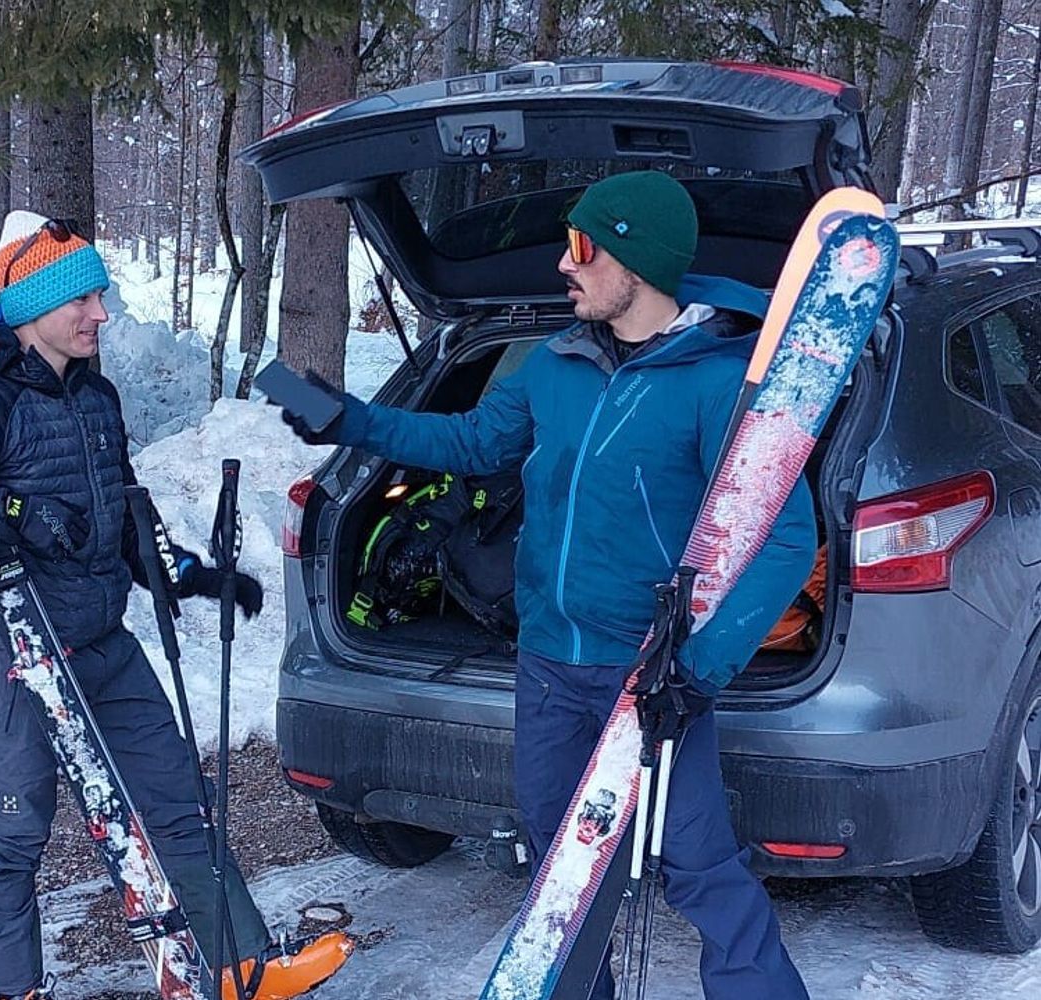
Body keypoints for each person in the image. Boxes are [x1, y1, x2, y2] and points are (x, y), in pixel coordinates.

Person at [280, 171, 814, 999]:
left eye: (581, 248)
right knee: (561, 875)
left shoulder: (720, 382)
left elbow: (784, 537)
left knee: (702, 872)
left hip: (648, 676)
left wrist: (698, 670)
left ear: (635, 258)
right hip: (549, 665)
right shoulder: (556, 364)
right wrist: (351, 420)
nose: (564, 267)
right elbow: (471, 441)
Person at [0, 211, 352, 1000]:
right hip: (13, 649)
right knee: (11, 827)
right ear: (34, 307)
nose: (101, 314)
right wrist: (9, 515)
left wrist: (190, 575)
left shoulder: (95, 395)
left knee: (176, 799)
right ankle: (10, 990)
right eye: (84, 301)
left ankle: (236, 964)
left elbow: (127, 515)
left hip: (101, 637)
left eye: (99, 297)